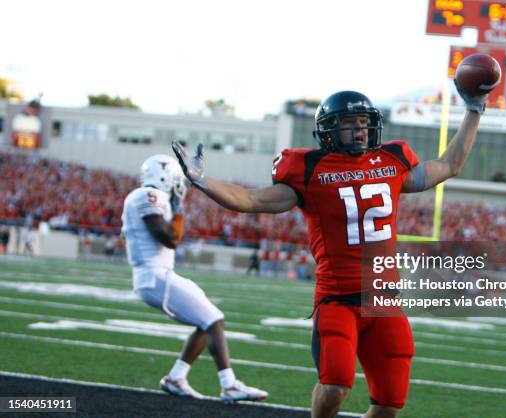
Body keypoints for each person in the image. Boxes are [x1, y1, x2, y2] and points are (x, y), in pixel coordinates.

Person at [172, 87, 486, 417]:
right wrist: (204, 182)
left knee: (389, 404)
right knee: (335, 385)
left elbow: (450, 164)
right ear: (330, 129)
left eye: (365, 121)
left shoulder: (391, 161)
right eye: (351, 122)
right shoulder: (311, 170)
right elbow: (250, 200)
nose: (361, 129)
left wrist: (474, 109)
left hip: (384, 301)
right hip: (339, 300)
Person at [121, 154, 267, 402]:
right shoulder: (148, 195)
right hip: (154, 275)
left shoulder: (145, 197)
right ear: (165, 177)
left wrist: (176, 210)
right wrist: (178, 212)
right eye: (176, 179)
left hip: (158, 274)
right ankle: (229, 385)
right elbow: (170, 238)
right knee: (213, 320)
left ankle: (176, 378)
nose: (180, 186)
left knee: (207, 320)